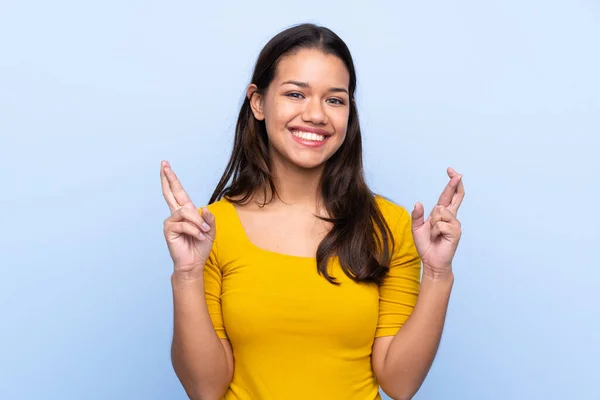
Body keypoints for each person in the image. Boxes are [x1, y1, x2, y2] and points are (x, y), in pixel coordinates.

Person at [160, 23, 465, 400]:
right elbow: (204, 389)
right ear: (258, 102)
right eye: (295, 94)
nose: (316, 115)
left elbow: (399, 384)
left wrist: (437, 273)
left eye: (334, 100)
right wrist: (187, 275)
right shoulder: (210, 230)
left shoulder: (390, 226)